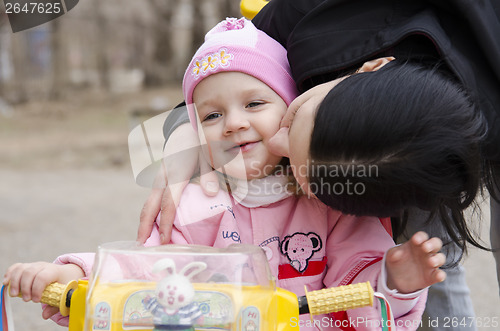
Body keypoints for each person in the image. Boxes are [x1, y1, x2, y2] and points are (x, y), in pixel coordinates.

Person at [4, 18, 447, 331]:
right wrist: (77, 277)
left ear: (291, 109)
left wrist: (395, 281)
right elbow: (145, 271)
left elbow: (361, 292)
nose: (233, 123)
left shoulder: (329, 201)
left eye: (254, 104)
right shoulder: (194, 208)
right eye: (212, 114)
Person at [138, 1, 500, 330]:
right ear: (368, 71)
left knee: (429, 258)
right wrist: (183, 130)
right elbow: (228, 59)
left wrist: (392, 281)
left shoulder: (335, 211)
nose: (276, 142)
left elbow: (362, 268)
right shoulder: (302, 11)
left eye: (297, 166)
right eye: (295, 119)